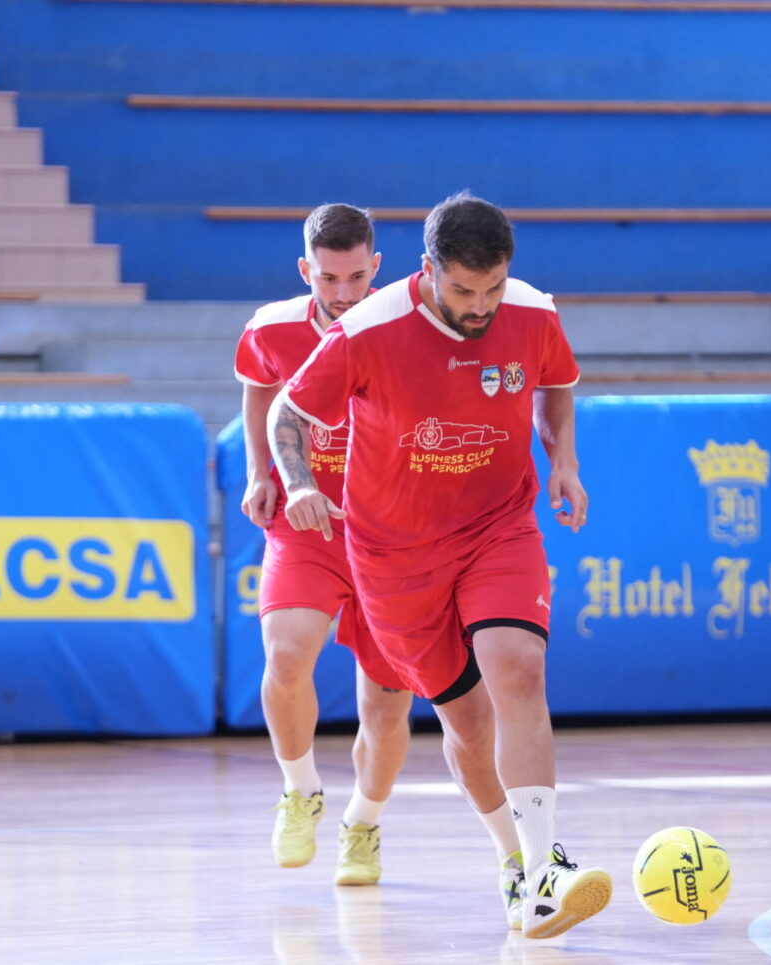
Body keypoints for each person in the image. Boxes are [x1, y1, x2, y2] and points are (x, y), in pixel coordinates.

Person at [267, 191, 611, 939]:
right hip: (395, 555)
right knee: (466, 719)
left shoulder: (532, 312)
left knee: (518, 664)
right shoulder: (369, 329)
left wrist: (565, 462)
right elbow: (286, 413)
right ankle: (514, 864)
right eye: (463, 289)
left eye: (492, 288)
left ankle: (546, 863)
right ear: (428, 270)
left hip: (498, 525)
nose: (481, 306)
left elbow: (556, 384)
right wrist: (295, 483)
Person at [233, 203, 414, 887]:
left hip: (392, 533)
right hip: (306, 520)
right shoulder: (271, 328)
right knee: (284, 657)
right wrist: (261, 472)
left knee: (387, 706)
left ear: (376, 268)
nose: (341, 293)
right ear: (305, 268)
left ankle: (363, 824)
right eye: (327, 277)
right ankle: (300, 787)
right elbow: (259, 393)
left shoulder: (403, 326)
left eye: (354, 277)